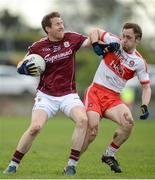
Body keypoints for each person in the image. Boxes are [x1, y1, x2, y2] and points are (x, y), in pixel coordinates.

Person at [4, 11, 91, 176]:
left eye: (62, 22)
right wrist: (22, 68)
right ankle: (13, 164)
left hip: (68, 94)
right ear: (47, 28)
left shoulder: (71, 38)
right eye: (57, 24)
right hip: (46, 95)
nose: (61, 26)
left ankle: (71, 165)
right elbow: (21, 63)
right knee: (35, 128)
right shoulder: (38, 47)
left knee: (82, 120)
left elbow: (89, 41)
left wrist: (101, 40)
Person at [82, 23, 151, 173]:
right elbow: (94, 31)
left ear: (137, 40)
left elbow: (146, 87)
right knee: (92, 131)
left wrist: (145, 105)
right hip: (96, 91)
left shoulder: (139, 62)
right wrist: (96, 45)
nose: (124, 40)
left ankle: (109, 154)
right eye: (123, 35)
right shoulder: (114, 41)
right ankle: (71, 164)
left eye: (129, 37)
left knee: (128, 123)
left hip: (113, 98)